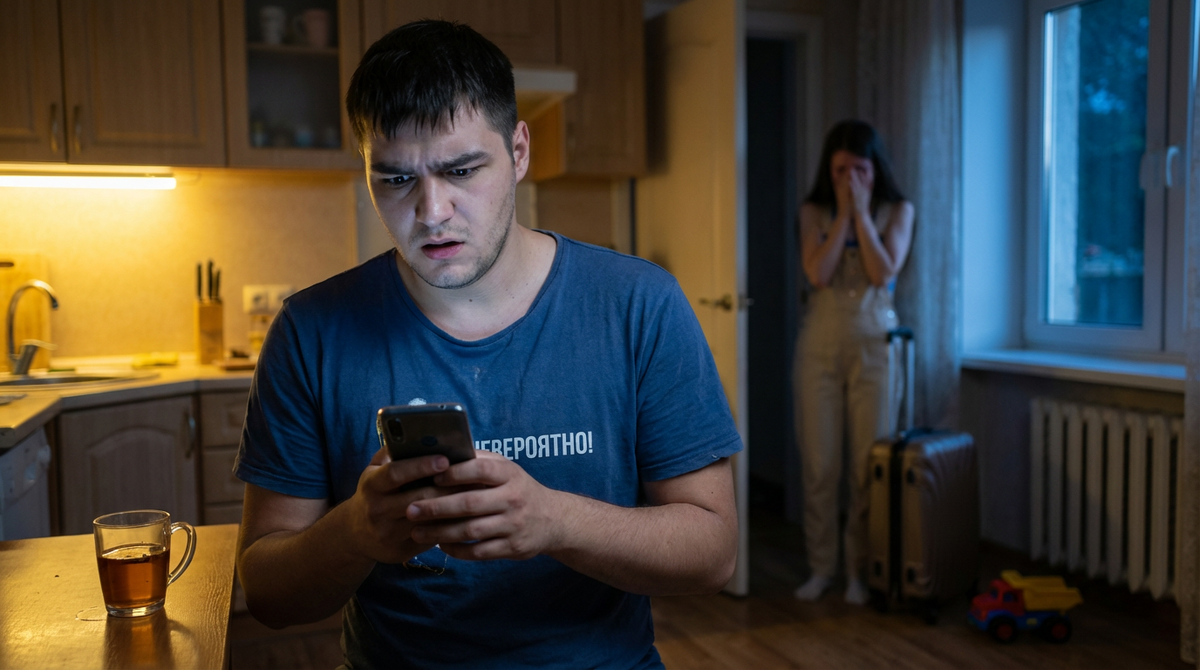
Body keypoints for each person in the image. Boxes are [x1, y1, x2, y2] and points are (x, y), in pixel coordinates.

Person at [232, 20, 742, 669]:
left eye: (462, 170)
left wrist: (554, 521)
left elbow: (714, 553)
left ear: (519, 151)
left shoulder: (638, 304)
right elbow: (267, 593)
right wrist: (355, 532)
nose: (432, 211)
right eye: (395, 180)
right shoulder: (311, 331)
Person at [792, 120, 914, 605]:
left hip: (875, 345)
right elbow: (817, 273)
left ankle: (860, 571)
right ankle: (822, 568)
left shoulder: (898, 210)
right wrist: (843, 214)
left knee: (868, 465)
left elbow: (884, 272)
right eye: (840, 169)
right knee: (820, 466)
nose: (850, 179)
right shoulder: (813, 211)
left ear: (875, 168)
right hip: (820, 346)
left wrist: (862, 215)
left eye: (859, 169)